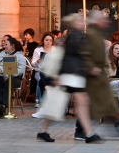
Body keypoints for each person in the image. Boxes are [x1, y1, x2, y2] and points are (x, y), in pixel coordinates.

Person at [37, 14, 99, 144]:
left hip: (73, 74)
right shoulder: (75, 35)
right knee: (80, 102)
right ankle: (89, 133)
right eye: (80, 21)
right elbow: (71, 56)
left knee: (61, 102)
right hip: (71, 74)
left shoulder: (75, 35)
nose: (83, 23)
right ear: (75, 23)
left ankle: (43, 131)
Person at [0, 36, 27, 117]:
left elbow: (20, 70)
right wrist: (2, 72)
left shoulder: (19, 56)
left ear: (12, 46)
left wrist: (9, 74)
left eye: (6, 44)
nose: (4, 46)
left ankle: (5, 106)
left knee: (8, 84)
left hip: (14, 77)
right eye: (4, 44)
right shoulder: (1, 54)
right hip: (2, 75)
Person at [32, 32, 55, 108]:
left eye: (50, 40)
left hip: (52, 71)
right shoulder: (38, 50)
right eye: (47, 40)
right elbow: (33, 63)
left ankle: (48, 97)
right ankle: (39, 100)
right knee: (40, 79)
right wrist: (38, 61)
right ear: (43, 41)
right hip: (40, 70)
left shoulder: (55, 49)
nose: (48, 42)